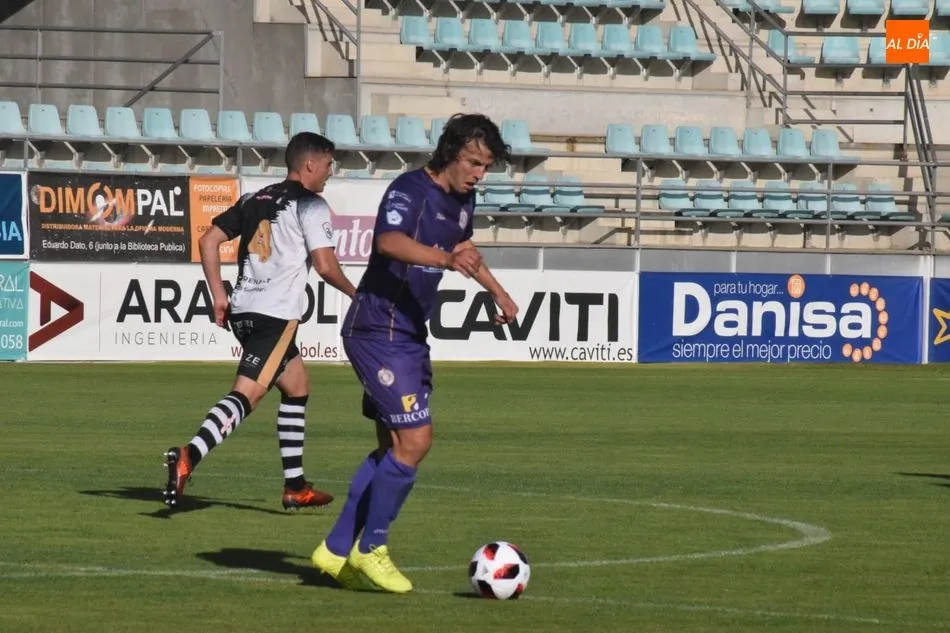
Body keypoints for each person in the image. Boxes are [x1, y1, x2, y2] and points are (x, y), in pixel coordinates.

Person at [309, 113, 519, 593]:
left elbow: (463, 246)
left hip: (406, 332)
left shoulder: (463, 200)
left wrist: (498, 292)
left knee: (393, 449)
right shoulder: (409, 189)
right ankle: (372, 548)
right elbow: (388, 242)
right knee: (416, 441)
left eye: (486, 166)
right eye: (473, 162)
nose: (479, 174)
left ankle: (336, 549)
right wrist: (445, 259)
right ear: (450, 153)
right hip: (377, 327)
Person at [162, 131, 357, 511]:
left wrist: (219, 295)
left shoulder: (254, 198)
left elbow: (207, 241)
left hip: (244, 310)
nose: (330, 171)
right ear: (310, 164)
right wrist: (357, 294)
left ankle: (295, 487)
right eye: (328, 164)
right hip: (275, 315)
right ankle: (189, 455)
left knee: (297, 387)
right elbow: (325, 265)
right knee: (246, 395)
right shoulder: (311, 204)